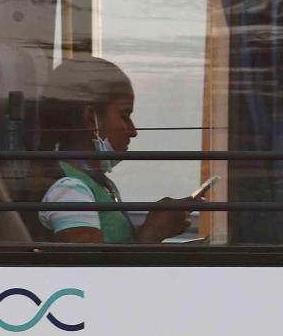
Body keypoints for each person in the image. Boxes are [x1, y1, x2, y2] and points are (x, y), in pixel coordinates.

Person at [34, 55, 190, 243]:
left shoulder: (99, 184)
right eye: (125, 116)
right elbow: (94, 270)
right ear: (91, 119)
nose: (133, 132)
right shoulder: (70, 190)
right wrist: (153, 232)